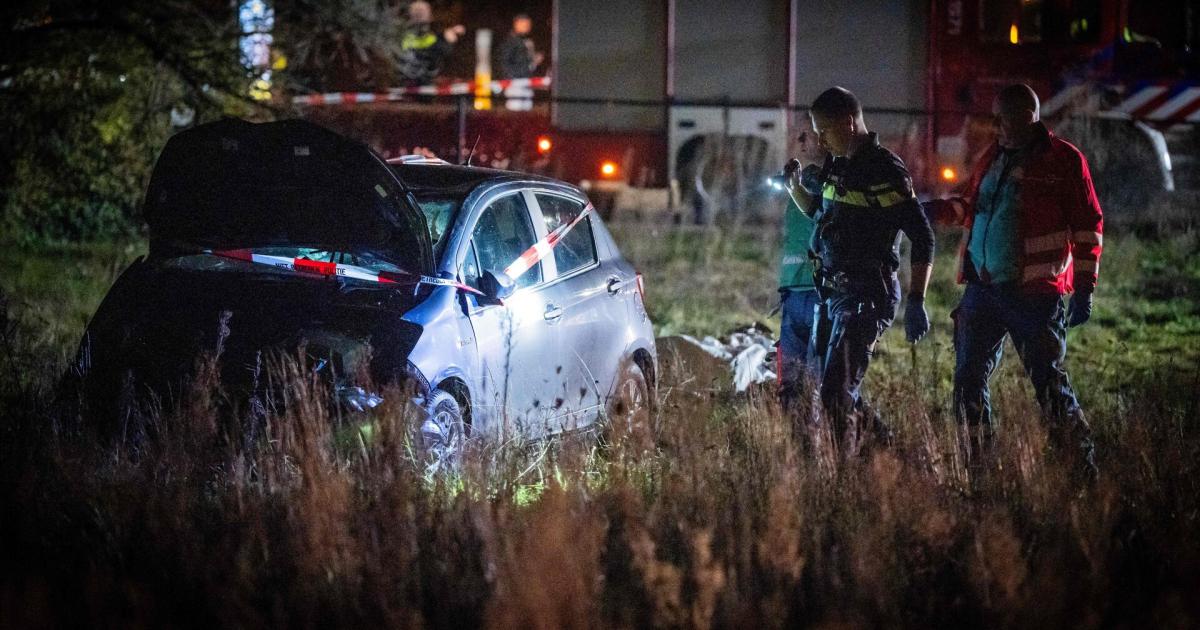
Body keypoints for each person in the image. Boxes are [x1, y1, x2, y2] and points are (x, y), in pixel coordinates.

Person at [924, 84, 1101, 477]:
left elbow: (1088, 225)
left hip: (1033, 296)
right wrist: (933, 210)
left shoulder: (1063, 160)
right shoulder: (993, 156)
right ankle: (978, 469)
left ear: (1027, 116)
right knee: (967, 379)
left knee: (1049, 384)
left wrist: (1085, 288)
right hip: (983, 290)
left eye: (1002, 118)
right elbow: (969, 205)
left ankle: (1082, 470)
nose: (996, 125)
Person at [784, 87, 934, 449]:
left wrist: (917, 299)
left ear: (849, 123)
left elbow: (923, 236)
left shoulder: (885, 170)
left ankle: (849, 473)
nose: (821, 140)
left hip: (868, 295)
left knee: (835, 394)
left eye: (825, 131)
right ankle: (891, 455)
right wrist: (794, 189)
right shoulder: (838, 165)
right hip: (835, 295)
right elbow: (820, 213)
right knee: (836, 391)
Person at [776, 130, 827, 411]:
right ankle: (798, 436)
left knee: (818, 383)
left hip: (820, 293)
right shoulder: (800, 183)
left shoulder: (834, 183)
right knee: (794, 384)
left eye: (809, 135)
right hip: (795, 292)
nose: (801, 142)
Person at [398, 0, 465, 87]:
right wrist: (448, 39)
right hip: (419, 82)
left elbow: (429, 43)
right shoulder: (416, 37)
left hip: (409, 81)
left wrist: (446, 34)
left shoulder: (405, 35)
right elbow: (434, 49)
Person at [497, 13, 543, 110]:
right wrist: (511, 80)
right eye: (525, 24)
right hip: (515, 84)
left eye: (529, 25)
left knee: (527, 111)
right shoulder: (510, 41)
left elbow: (526, 61)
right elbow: (504, 62)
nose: (528, 27)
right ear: (517, 24)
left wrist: (534, 61)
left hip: (526, 82)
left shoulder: (526, 41)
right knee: (515, 110)